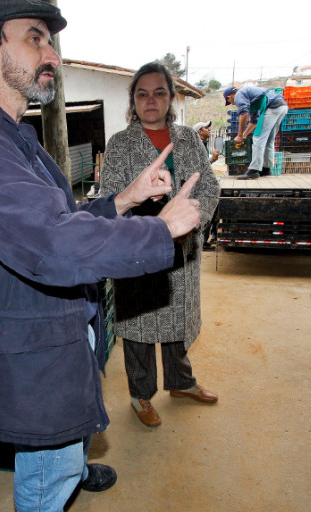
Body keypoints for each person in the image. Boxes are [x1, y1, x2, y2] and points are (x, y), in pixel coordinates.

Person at [0, 2, 202, 512]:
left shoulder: (9, 133)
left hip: (52, 331)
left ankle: (71, 465)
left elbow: (54, 221)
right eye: (35, 39)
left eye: (51, 43)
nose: (51, 55)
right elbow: (52, 247)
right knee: (44, 474)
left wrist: (124, 200)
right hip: (23, 349)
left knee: (66, 440)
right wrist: (160, 231)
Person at [98, 62, 220, 428]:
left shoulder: (188, 139)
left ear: (171, 98)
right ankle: (140, 396)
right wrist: (151, 225)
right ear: (133, 101)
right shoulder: (120, 144)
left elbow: (210, 186)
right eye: (142, 93)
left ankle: (181, 382)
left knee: (177, 320)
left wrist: (193, 223)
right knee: (139, 325)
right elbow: (110, 197)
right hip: (138, 251)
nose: (151, 100)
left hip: (183, 252)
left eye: (159, 92)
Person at [223, 85, 288, 180]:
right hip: (282, 106)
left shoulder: (239, 95)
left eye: (229, 102)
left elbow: (244, 114)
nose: (233, 104)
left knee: (258, 139)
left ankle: (253, 170)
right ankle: (266, 168)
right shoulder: (249, 98)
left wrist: (240, 135)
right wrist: (244, 135)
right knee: (269, 139)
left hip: (273, 106)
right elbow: (254, 121)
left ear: (230, 97)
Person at [192, 121, 219, 250]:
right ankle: (201, 243)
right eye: (206, 128)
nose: (209, 129)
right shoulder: (196, 146)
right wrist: (212, 159)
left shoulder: (202, 144)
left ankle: (204, 241)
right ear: (199, 132)